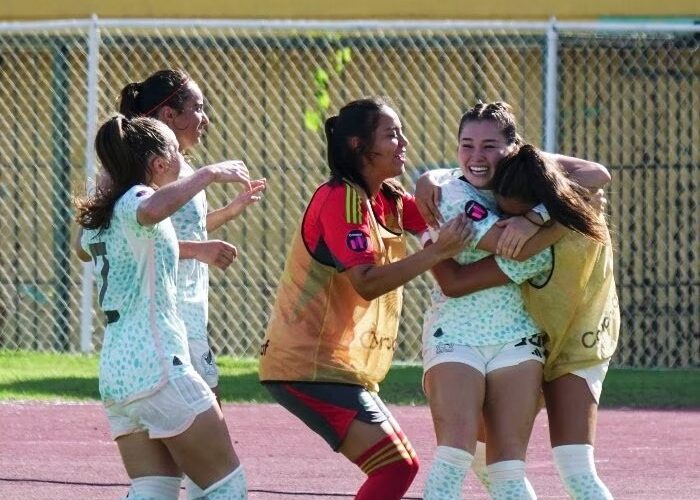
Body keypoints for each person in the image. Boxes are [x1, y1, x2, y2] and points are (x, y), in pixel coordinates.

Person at [258, 97, 473, 499]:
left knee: (398, 466)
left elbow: (441, 211)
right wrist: (436, 252)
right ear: (358, 145)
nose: (404, 142)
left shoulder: (386, 198)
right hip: (307, 365)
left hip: (335, 368)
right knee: (396, 466)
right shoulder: (342, 199)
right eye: (392, 134)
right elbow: (367, 281)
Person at [415, 102, 612, 500]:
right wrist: (565, 215)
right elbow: (511, 249)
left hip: (541, 339)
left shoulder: (535, 183)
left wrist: (538, 216)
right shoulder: (451, 195)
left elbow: (599, 174)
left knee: (516, 469)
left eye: (489, 146)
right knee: (455, 453)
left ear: (515, 147)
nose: (476, 157)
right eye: (466, 145)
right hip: (456, 336)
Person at [74, 115, 250, 499]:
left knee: (154, 487)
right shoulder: (137, 199)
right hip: (157, 364)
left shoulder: (103, 214)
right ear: (157, 163)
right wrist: (206, 175)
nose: (182, 160)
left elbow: (83, 247)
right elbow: (150, 210)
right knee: (225, 484)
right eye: (174, 151)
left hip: (118, 374)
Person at [119, 69, 266, 402]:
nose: (206, 119)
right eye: (198, 108)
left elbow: (179, 232)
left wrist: (229, 212)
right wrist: (201, 250)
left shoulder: (182, 169)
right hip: (161, 310)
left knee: (201, 414)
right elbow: (141, 241)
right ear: (170, 114)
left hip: (191, 309)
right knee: (202, 416)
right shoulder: (150, 169)